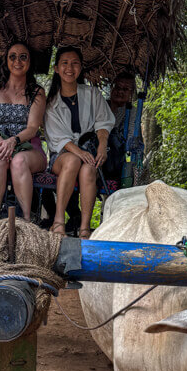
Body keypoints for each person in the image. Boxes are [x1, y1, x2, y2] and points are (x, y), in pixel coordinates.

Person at [44, 46, 115, 237]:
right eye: (65, 63)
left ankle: (84, 228)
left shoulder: (92, 94)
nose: (70, 68)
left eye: (75, 63)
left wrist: (102, 146)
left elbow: (103, 122)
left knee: (89, 169)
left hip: (89, 152)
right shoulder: (51, 103)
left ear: (81, 68)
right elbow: (58, 138)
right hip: (61, 156)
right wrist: (79, 153)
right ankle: (58, 222)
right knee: (73, 160)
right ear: (56, 68)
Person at [0, 42, 47, 224]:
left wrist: (13, 141)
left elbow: (33, 128)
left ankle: (26, 220)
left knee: (18, 161)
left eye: (23, 57)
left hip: (29, 148)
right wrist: (1, 144)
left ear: (29, 62)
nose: (18, 61)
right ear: (6, 61)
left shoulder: (37, 92)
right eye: (13, 57)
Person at [103, 70, 136, 181]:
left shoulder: (132, 111)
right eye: (117, 87)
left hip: (118, 157)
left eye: (125, 89)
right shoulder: (102, 105)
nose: (120, 92)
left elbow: (131, 137)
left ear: (131, 93)